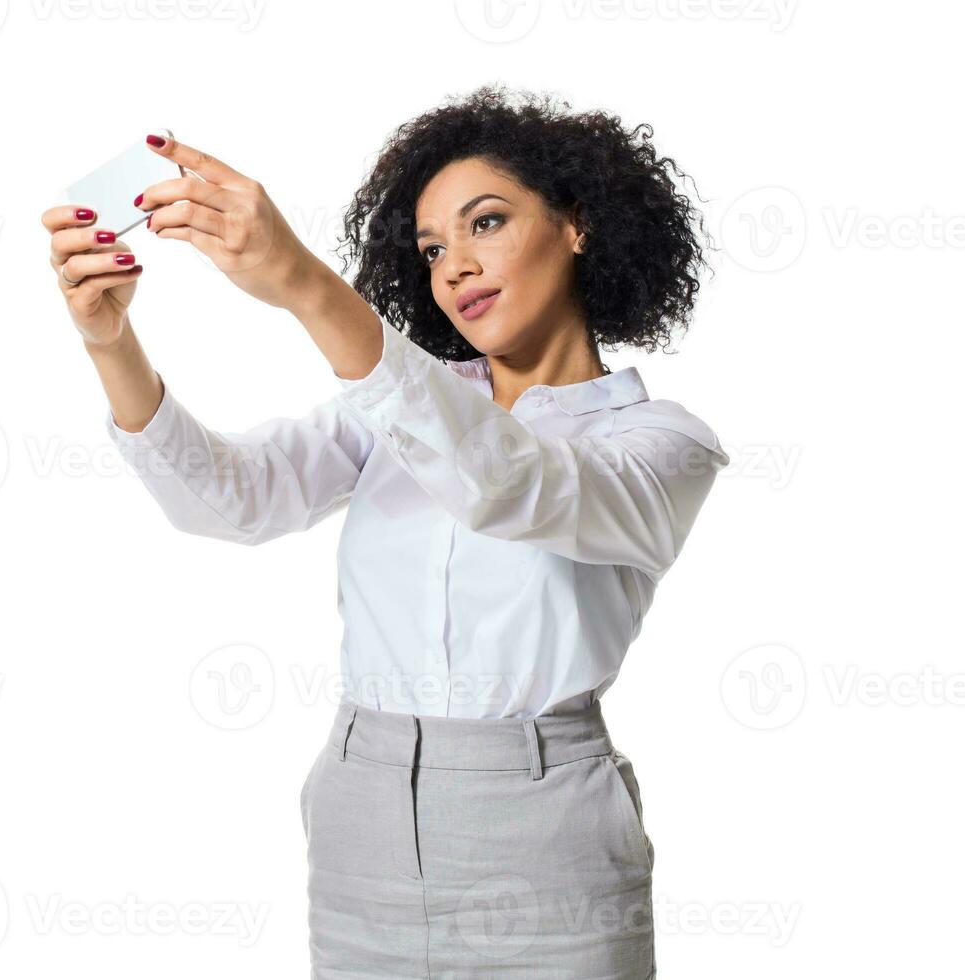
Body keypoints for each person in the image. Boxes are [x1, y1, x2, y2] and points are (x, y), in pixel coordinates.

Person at [43, 83, 730, 979]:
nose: (453, 268)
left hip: (543, 825)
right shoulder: (393, 413)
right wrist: (109, 343)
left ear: (577, 224)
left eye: (485, 223)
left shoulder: (659, 443)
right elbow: (230, 501)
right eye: (433, 247)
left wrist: (303, 287)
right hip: (361, 808)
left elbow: (511, 485)